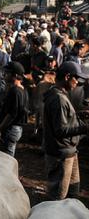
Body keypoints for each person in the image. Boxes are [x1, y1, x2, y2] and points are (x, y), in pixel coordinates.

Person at [43, 62, 89, 200]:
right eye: (77, 78)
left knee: (73, 193)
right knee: (58, 197)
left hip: (69, 151)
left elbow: (62, 118)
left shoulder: (58, 93)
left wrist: (79, 115)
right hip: (61, 155)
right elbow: (60, 130)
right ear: (67, 77)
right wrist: (86, 128)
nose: (78, 82)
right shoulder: (59, 99)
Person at [0, 61, 28, 157]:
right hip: (16, 129)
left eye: (8, 73)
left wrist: (0, 128)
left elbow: (11, 114)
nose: (5, 75)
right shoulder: (23, 90)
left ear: (15, 75)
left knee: (7, 158)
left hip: (11, 128)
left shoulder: (15, 92)